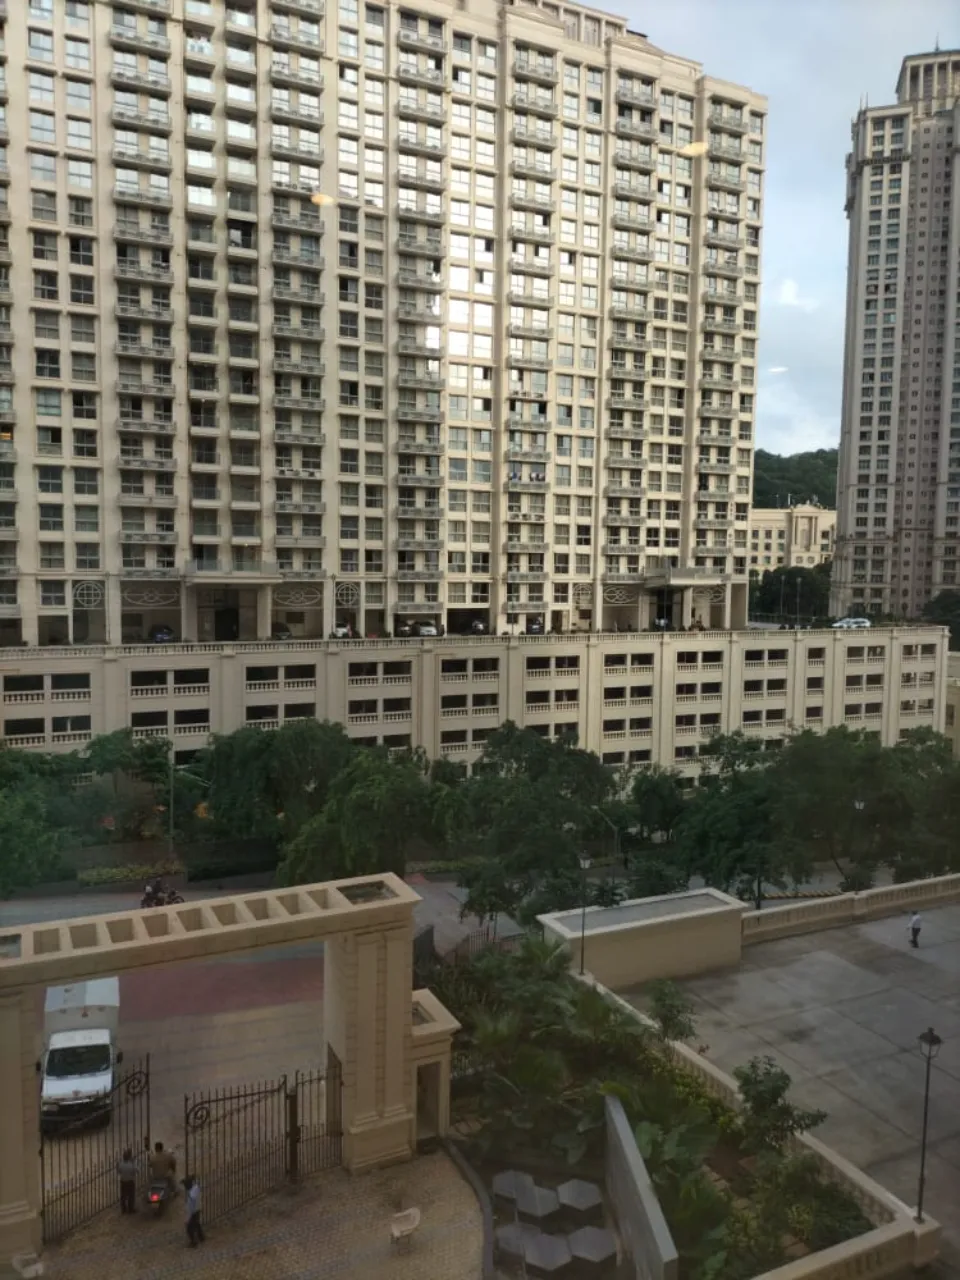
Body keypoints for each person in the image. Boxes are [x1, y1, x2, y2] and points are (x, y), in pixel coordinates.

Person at [184, 1175, 204, 1247]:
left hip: (193, 1212)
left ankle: (193, 1242)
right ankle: (201, 1237)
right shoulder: (196, 1188)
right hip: (198, 1209)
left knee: (189, 1228)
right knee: (197, 1224)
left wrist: (187, 1219)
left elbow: (191, 1208)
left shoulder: (191, 1195)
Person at [117, 1148, 137, 1214]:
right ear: (128, 1157)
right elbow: (134, 1172)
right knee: (131, 1196)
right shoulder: (131, 1164)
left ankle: (123, 1209)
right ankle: (130, 1209)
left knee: (123, 1196)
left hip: (123, 1182)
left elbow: (119, 1171)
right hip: (130, 1182)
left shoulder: (121, 1164)